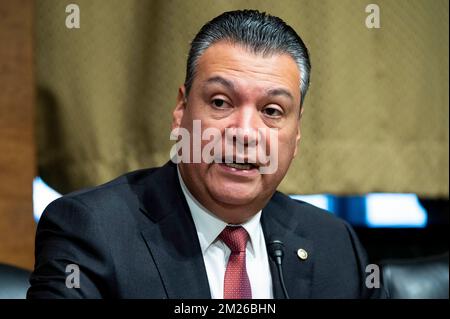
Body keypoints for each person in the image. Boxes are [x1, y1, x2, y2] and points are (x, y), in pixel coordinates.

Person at [28, 10, 386, 299]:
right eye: (220, 102)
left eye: (272, 111)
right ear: (181, 111)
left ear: (297, 133)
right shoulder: (91, 230)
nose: (244, 133)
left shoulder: (335, 245)